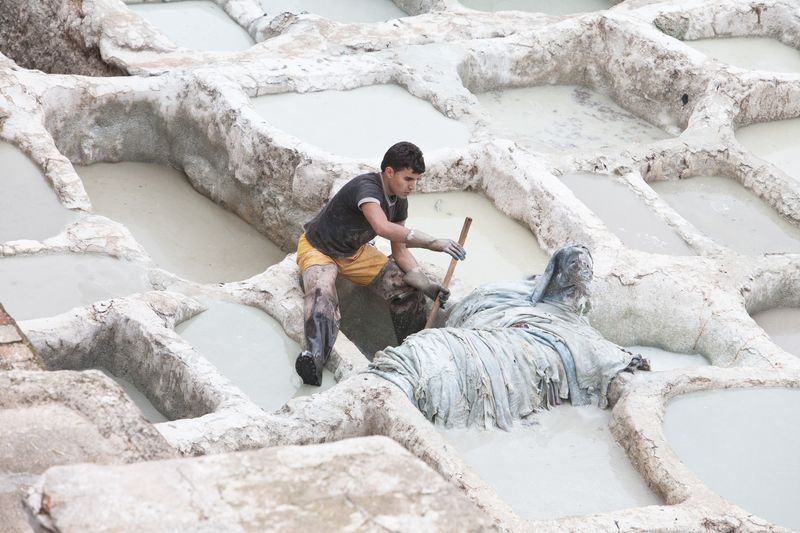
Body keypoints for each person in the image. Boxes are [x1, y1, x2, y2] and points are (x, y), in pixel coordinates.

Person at [295, 142, 466, 386]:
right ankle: (315, 358)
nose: (412, 186)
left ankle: (414, 351)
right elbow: (382, 227)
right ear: (389, 172)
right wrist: (433, 242)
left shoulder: (400, 201)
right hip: (319, 248)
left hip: (355, 253)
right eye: (408, 179)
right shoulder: (367, 188)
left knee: (406, 287)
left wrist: (426, 285)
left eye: (416, 180)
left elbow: (400, 250)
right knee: (322, 293)